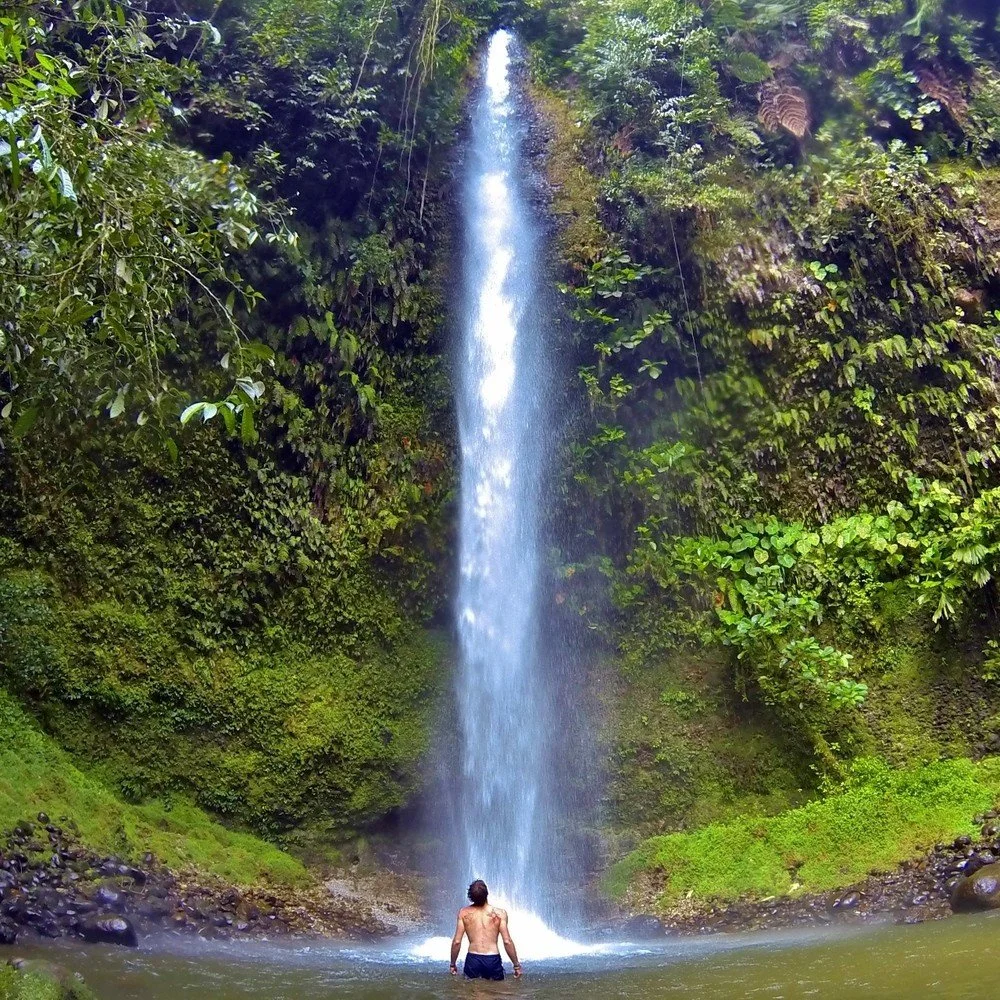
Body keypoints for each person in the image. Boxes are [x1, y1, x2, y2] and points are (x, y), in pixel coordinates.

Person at [450, 879, 522, 980]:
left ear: (470, 897)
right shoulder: (500, 914)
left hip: (473, 959)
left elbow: (457, 942)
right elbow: (507, 941)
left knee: (471, 989)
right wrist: (516, 965)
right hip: (492, 959)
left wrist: (453, 964)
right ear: (487, 893)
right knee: (496, 988)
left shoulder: (463, 913)